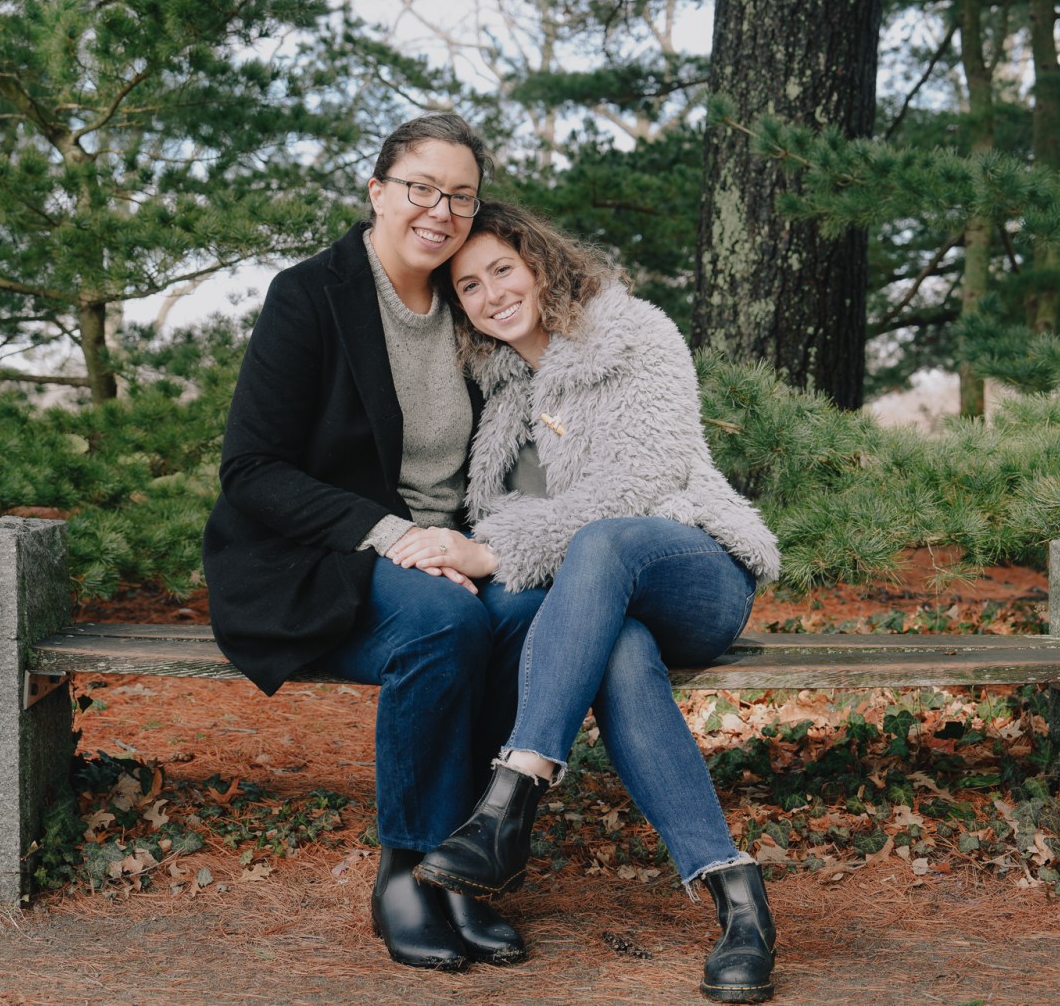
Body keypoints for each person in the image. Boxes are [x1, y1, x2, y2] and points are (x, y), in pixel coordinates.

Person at [386, 201, 784, 1003]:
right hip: (600, 607)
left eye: (503, 269)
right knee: (622, 649)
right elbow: (483, 509)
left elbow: (637, 484)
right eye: (468, 285)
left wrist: (494, 552)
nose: (491, 292)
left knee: (603, 541)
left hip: (691, 565)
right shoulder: (497, 396)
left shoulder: (633, 336)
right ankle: (739, 902)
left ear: (540, 263)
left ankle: (512, 793)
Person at [201, 115, 548, 972]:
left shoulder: (470, 305)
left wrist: (481, 543)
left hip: (450, 550)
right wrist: (396, 536)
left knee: (528, 610)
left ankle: (468, 864)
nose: (441, 210)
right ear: (378, 192)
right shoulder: (311, 295)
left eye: (461, 196)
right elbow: (250, 468)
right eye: (422, 188)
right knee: (442, 624)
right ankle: (410, 871)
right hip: (325, 556)